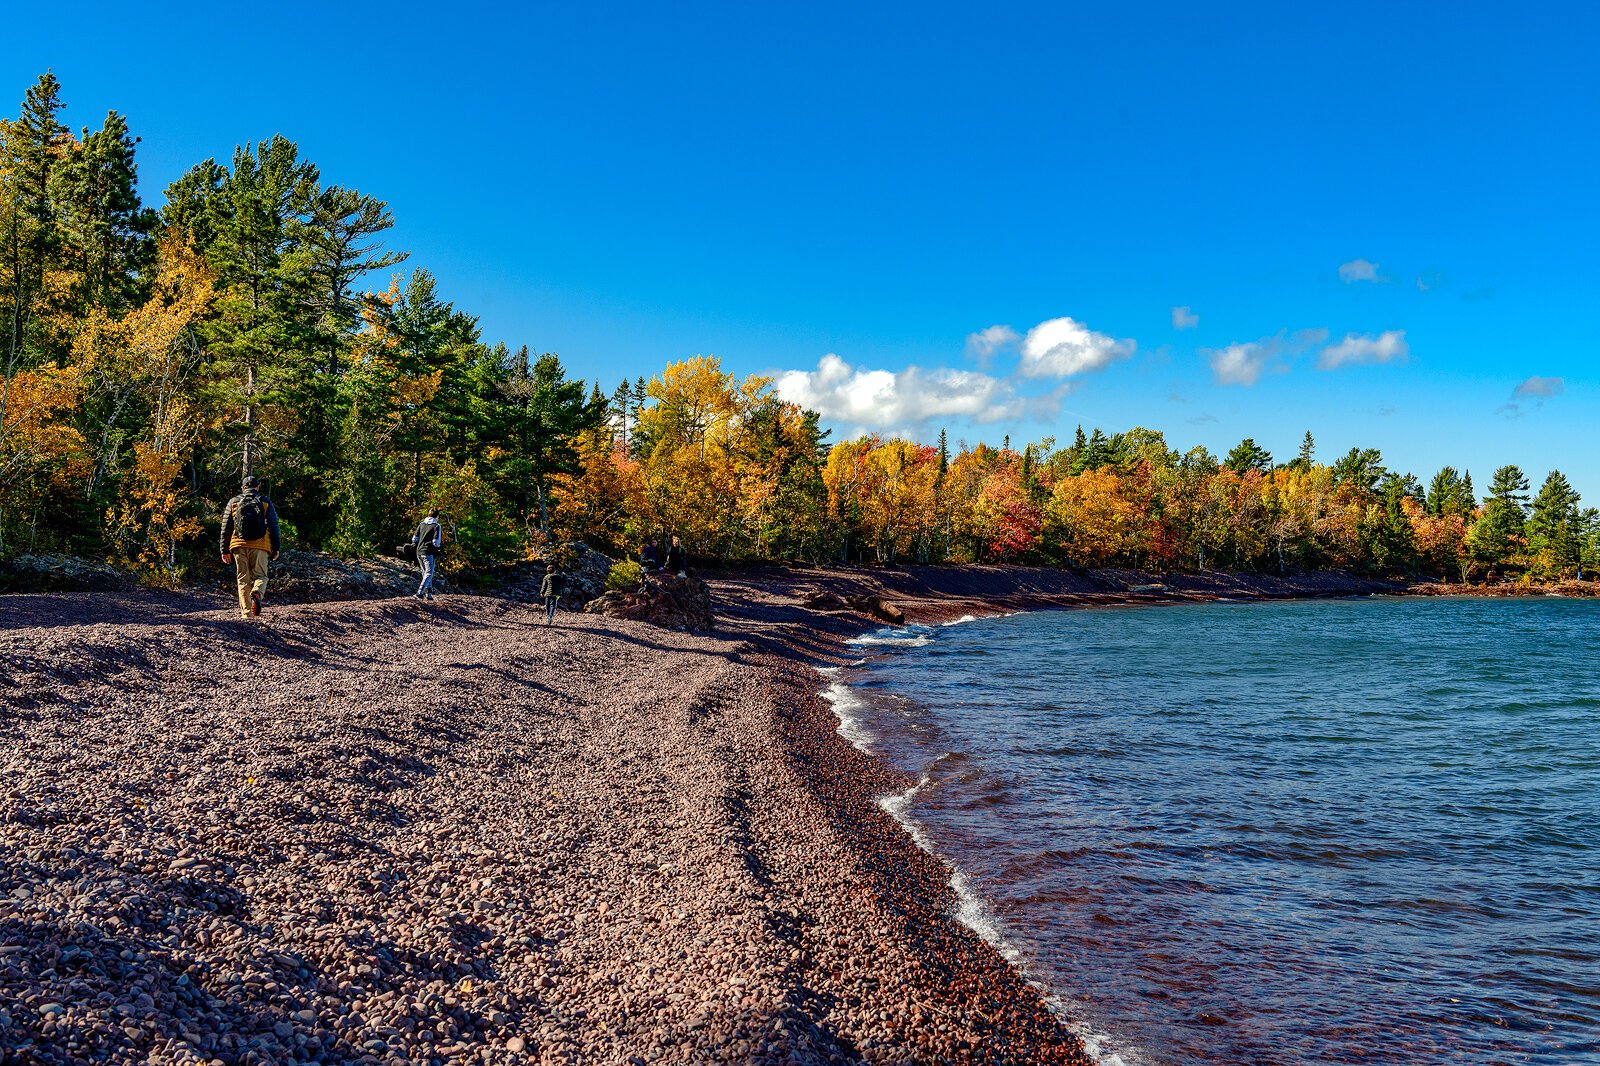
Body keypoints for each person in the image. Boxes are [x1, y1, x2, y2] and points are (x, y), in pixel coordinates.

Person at [219, 475, 281, 619]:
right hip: (260, 545)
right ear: (258, 487)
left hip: (238, 545)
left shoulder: (233, 502)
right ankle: (257, 592)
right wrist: (276, 547)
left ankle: (247, 615)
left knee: (242, 579)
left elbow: (226, 528)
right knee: (261, 575)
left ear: (243, 488)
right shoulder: (265, 501)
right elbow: (273, 526)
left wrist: (224, 550)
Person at [411, 507, 444, 601]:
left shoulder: (421, 524)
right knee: (429, 572)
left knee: (424, 572)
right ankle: (420, 592)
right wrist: (438, 548)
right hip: (429, 552)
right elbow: (436, 542)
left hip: (419, 551)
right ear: (437, 516)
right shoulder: (436, 526)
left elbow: (414, 539)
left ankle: (429, 594)